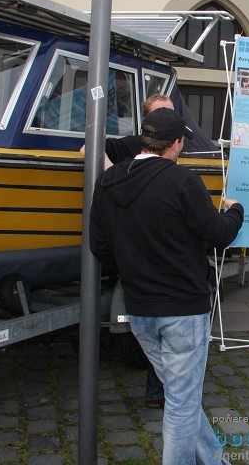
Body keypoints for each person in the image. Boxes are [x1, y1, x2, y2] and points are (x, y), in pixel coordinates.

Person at [89, 107, 243, 465]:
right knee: (182, 404)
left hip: (140, 309)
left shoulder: (109, 181)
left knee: (179, 396)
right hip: (183, 311)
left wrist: (134, 266)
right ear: (175, 144)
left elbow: (99, 246)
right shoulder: (182, 181)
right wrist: (235, 210)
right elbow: (218, 235)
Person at [80, 93, 174, 408]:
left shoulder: (174, 147)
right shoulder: (131, 146)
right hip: (141, 245)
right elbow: (88, 148)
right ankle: (162, 390)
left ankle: (159, 391)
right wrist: (115, 178)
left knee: (160, 322)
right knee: (156, 322)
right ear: (146, 120)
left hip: (160, 244)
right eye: (161, 112)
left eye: (171, 112)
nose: (168, 117)